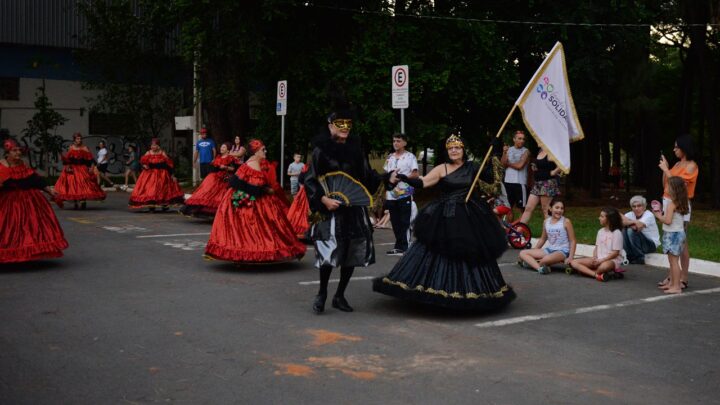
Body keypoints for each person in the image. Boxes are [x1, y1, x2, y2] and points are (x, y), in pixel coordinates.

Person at [372, 134, 516, 311]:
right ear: (447, 151)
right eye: (450, 148)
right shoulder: (442, 168)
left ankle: (471, 290)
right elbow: (424, 182)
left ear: (463, 150)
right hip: (444, 215)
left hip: (469, 214)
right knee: (435, 250)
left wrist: (495, 151)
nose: (454, 150)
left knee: (470, 251)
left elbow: (493, 178)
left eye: (457, 147)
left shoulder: (473, 167)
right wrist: (405, 178)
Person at [303, 103, 384, 314]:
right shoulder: (321, 151)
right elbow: (310, 180)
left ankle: (340, 295)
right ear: (330, 126)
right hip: (329, 210)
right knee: (329, 251)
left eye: (348, 124)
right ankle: (322, 293)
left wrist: (388, 178)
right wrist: (323, 200)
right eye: (340, 124)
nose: (345, 127)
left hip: (353, 209)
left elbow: (367, 176)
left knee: (352, 252)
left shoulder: (357, 150)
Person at [204, 139, 305, 263]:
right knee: (259, 225)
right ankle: (253, 251)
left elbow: (246, 183)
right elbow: (256, 188)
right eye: (263, 150)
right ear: (256, 152)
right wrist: (268, 190)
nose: (265, 151)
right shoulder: (254, 164)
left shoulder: (251, 161)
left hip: (240, 195)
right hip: (246, 198)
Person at [0, 139, 68, 263]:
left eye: (19, 150)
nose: (18, 153)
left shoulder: (23, 164)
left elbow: (36, 180)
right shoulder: (2, 166)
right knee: (8, 228)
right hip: (10, 202)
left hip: (30, 201)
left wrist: (50, 191)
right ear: (7, 152)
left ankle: (28, 253)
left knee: (32, 227)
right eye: (14, 151)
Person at [657, 135, 697, 290]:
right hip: (668, 201)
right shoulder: (677, 164)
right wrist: (665, 169)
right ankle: (672, 277)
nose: (674, 150)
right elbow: (666, 184)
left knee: (681, 242)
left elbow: (677, 185)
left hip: (680, 204)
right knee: (673, 245)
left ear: (684, 148)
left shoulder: (691, 166)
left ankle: (683, 278)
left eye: (676, 147)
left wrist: (667, 170)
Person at [180, 142, 240, 218]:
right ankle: (199, 210)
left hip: (225, 179)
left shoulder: (231, 158)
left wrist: (225, 167)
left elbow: (235, 168)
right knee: (205, 192)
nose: (221, 148)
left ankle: (219, 213)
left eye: (224, 147)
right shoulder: (218, 158)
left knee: (219, 195)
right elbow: (214, 168)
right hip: (214, 178)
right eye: (221, 147)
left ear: (228, 150)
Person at [518, 198, 576, 274]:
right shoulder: (546, 222)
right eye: (557, 207)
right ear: (550, 208)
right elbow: (543, 239)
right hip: (549, 250)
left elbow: (573, 240)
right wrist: (535, 250)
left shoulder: (566, 222)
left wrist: (570, 257)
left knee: (545, 259)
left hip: (562, 251)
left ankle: (531, 264)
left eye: (562, 208)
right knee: (522, 253)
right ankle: (540, 268)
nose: (559, 210)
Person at [383, 133, 419, 256]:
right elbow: (386, 176)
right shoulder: (389, 157)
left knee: (405, 221)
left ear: (405, 143)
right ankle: (399, 246)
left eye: (398, 141)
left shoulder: (410, 157)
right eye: (394, 141)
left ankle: (406, 246)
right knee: (395, 222)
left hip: (405, 193)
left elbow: (415, 175)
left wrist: (404, 177)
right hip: (391, 194)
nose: (395, 143)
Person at [652, 177, 689, 294]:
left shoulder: (672, 203)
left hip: (672, 234)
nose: (666, 187)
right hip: (678, 233)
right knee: (672, 261)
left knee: (673, 262)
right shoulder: (681, 201)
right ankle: (672, 283)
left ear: (674, 189)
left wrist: (657, 215)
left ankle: (676, 287)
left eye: (668, 186)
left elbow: (667, 221)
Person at [568, 207, 625, 281]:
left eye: (602, 216)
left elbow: (615, 253)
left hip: (611, 260)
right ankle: (596, 275)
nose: (599, 218)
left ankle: (586, 272)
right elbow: (597, 247)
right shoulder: (600, 231)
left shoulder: (616, 233)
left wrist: (601, 260)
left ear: (609, 219)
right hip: (598, 259)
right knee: (573, 262)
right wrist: (595, 257)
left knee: (603, 267)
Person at [129, 138, 184, 211]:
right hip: (150, 174)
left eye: (154, 145)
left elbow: (169, 164)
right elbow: (142, 162)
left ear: (158, 146)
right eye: (152, 145)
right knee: (150, 189)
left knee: (163, 189)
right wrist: (144, 165)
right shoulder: (148, 153)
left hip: (162, 174)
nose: (153, 147)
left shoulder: (162, 153)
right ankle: (151, 206)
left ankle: (164, 204)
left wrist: (172, 175)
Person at [54, 132, 106, 209]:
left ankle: (83, 201)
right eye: (77, 139)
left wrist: (92, 167)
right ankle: (75, 202)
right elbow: (68, 160)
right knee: (73, 185)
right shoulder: (71, 148)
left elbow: (91, 159)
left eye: (80, 138)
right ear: (74, 140)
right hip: (73, 168)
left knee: (83, 184)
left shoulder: (85, 148)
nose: (79, 140)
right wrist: (68, 166)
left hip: (82, 168)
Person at [518, 146, 562, 224]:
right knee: (528, 208)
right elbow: (539, 165)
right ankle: (519, 231)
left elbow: (562, 163)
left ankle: (550, 233)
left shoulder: (551, 152)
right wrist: (534, 166)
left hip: (547, 183)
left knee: (545, 209)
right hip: (538, 183)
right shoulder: (540, 151)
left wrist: (554, 172)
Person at [621, 195, 660, 265]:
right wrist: (634, 222)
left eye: (639, 206)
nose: (636, 208)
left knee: (630, 230)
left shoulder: (649, 215)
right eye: (634, 206)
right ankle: (629, 256)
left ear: (644, 207)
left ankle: (640, 258)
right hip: (639, 243)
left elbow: (637, 227)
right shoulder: (630, 214)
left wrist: (628, 222)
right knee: (623, 229)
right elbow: (621, 223)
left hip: (650, 245)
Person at [501, 130, 530, 222]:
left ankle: (520, 229)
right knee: (508, 208)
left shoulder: (526, 151)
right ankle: (510, 229)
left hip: (520, 183)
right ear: (514, 139)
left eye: (523, 139)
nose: (522, 141)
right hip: (508, 182)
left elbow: (520, 166)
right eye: (519, 138)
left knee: (522, 209)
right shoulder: (508, 150)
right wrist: (504, 153)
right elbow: (502, 165)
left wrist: (508, 163)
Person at [287, 163, 311, 238]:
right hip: (306, 191)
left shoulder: (305, 168)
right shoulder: (309, 169)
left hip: (303, 190)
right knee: (302, 209)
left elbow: (301, 179)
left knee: (299, 208)